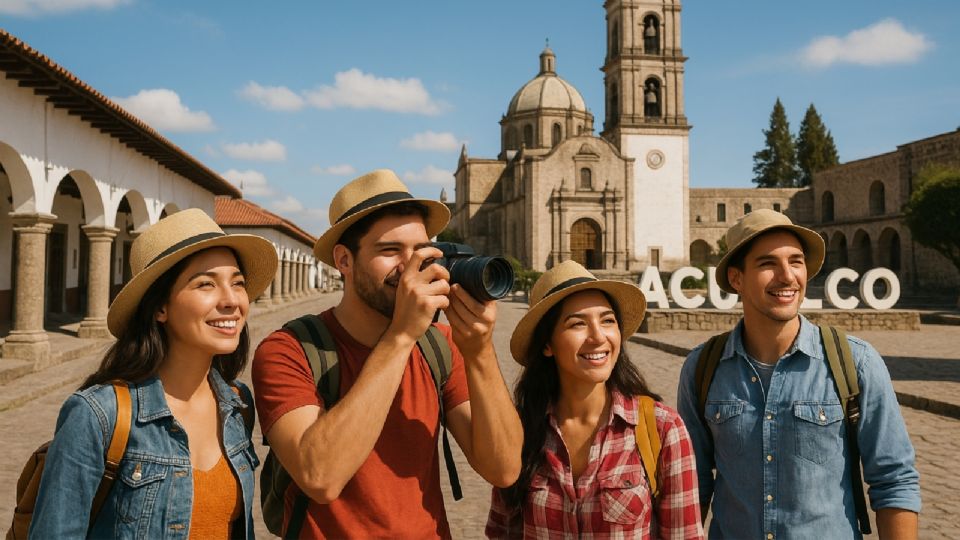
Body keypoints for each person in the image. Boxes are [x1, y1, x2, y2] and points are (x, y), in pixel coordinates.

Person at [252, 169, 523, 538]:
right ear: (344, 261)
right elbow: (320, 477)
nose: (412, 267)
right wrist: (401, 336)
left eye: (421, 251)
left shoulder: (439, 346)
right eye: (390, 250)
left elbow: (503, 468)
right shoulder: (289, 350)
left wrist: (479, 351)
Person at [29, 208, 277, 539]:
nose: (231, 300)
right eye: (206, 284)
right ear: (160, 307)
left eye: (238, 283)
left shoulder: (237, 405)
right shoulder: (99, 415)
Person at [677, 209, 921, 538]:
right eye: (767, 263)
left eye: (796, 261)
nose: (787, 276)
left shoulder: (855, 362)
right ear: (736, 279)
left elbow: (894, 480)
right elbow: (691, 486)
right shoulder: (703, 368)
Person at [487, 260, 704, 539]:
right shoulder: (520, 429)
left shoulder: (662, 428)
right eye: (578, 323)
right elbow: (502, 532)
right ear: (547, 344)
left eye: (607, 320)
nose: (598, 336)